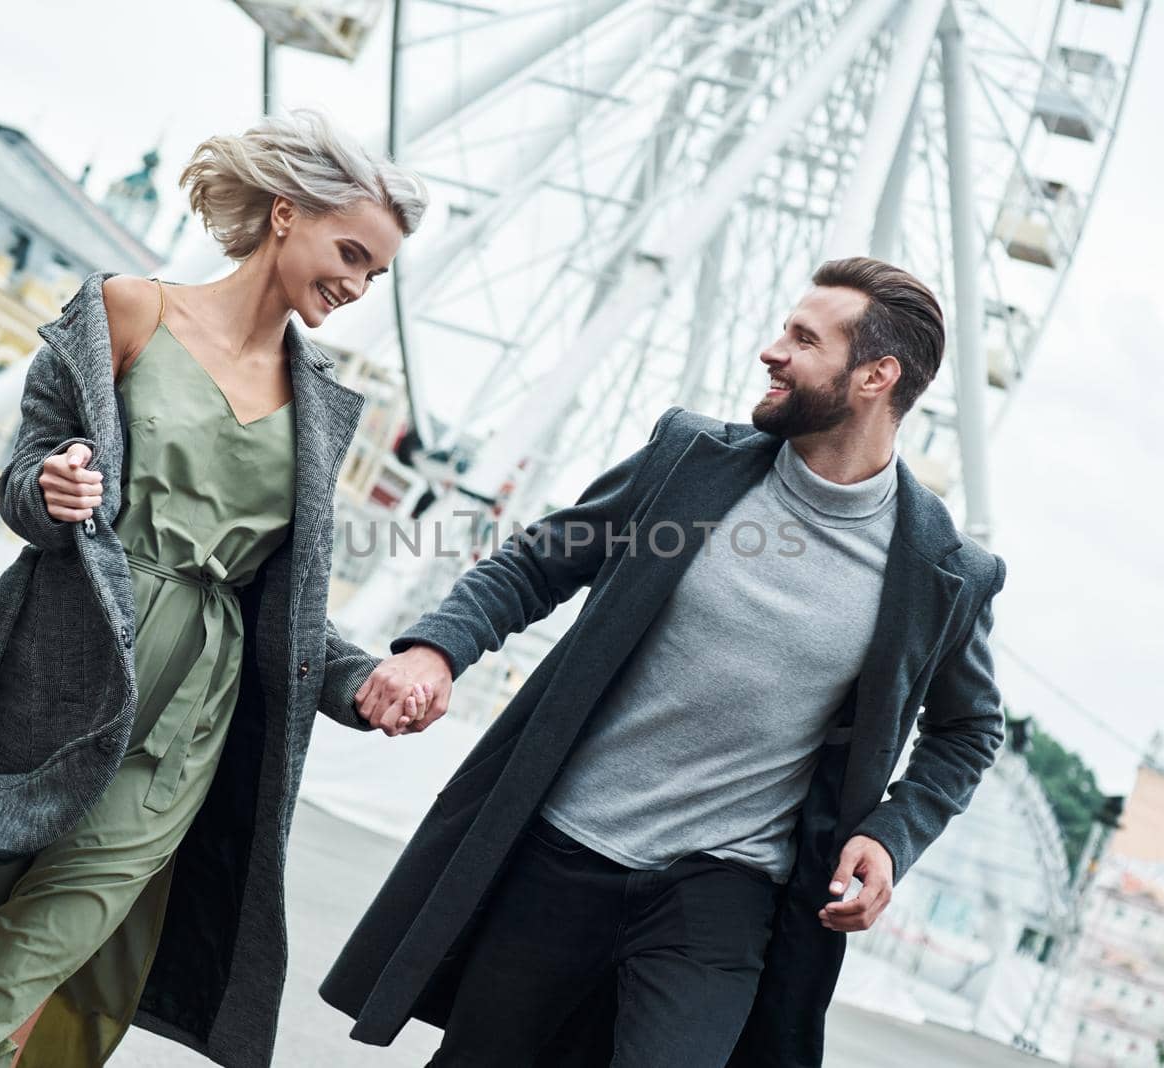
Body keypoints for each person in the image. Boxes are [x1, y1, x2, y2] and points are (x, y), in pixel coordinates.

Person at [0, 107, 430, 1068]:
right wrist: (50, 490)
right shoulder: (128, 313)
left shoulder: (327, 403)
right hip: (63, 668)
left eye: (375, 273)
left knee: (30, 960)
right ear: (286, 213)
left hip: (190, 716)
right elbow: (24, 478)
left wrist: (360, 682)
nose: (357, 283)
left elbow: (285, 600)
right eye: (350, 251)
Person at [321, 257, 1009, 1067]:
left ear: (875, 376)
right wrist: (437, 651)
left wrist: (894, 836)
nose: (771, 351)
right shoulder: (692, 464)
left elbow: (969, 729)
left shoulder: (943, 572)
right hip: (560, 852)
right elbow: (538, 563)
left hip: (721, 892)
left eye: (802, 338)